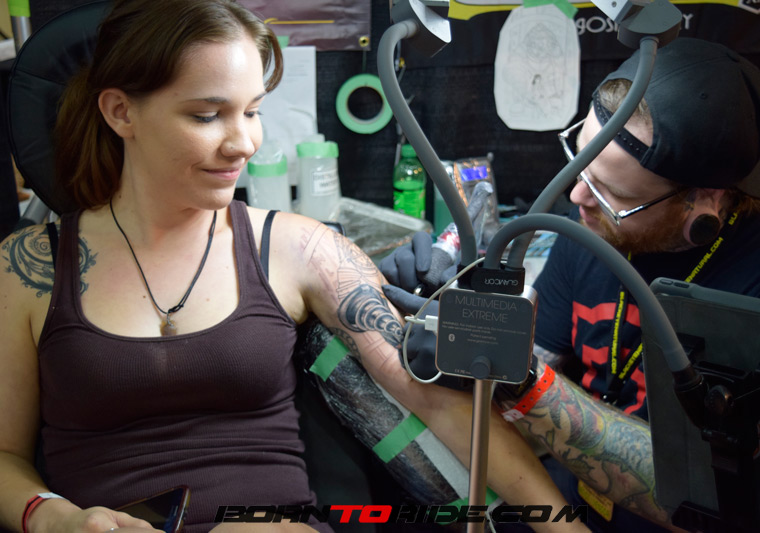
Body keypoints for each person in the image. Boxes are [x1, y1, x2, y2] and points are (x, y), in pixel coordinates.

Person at [0, 1, 590, 532]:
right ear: (120, 112)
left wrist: (563, 529)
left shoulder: (300, 249)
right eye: (207, 116)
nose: (244, 143)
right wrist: (50, 516)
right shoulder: (29, 269)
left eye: (252, 111)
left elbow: (440, 405)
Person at [380, 37, 760, 533]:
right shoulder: (590, 226)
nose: (577, 196)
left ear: (704, 204)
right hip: (572, 502)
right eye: (580, 165)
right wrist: (453, 309)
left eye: (610, 192)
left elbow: (707, 500)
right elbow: (522, 370)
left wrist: (523, 376)